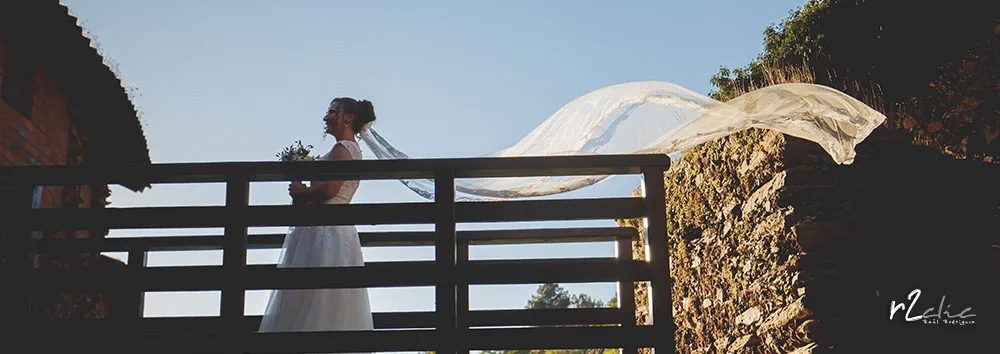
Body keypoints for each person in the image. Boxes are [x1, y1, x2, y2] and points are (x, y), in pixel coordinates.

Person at [258, 97, 377, 346]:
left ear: (348, 117)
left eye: (333, 111)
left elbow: (329, 191)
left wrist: (302, 193)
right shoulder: (351, 150)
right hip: (338, 231)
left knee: (312, 299)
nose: (326, 118)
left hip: (326, 231)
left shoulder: (342, 149)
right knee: (330, 304)